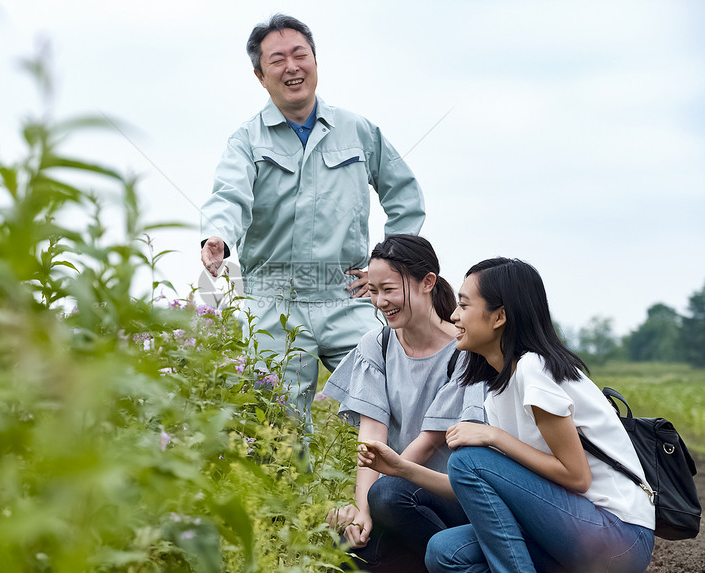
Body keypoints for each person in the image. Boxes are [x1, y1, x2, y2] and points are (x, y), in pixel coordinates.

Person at [358, 258, 655, 573]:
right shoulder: (497, 390)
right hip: (565, 530)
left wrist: (493, 437)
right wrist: (401, 468)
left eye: (464, 305)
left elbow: (577, 476)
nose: (454, 316)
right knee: (445, 552)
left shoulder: (535, 369)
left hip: (617, 537)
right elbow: (472, 486)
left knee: (466, 458)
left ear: (499, 316)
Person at [199, 14, 425, 427]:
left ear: (315, 62)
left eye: (300, 54)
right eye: (277, 60)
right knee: (274, 428)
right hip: (272, 300)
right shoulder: (247, 139)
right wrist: (218, 237)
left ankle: (397, 492)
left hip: (347, 294)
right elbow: (229, 194)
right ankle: (290, 491)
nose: (292, 67)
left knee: (393, 407)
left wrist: (393, 265)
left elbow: (404, 193)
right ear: (260, 75)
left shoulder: (358, 130)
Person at [322, 235, 485, 572]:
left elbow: (429, 442)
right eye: (374, 290)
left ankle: (466, 561)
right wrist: (362, 514)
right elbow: (372, 436)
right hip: (391, 494)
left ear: (428, 283)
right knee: (346, 543)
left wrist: (373, 503)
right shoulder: (377, 344)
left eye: (390, 289)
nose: (381, 301)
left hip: (447, 496)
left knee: (388, 498)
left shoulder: (462, 352)